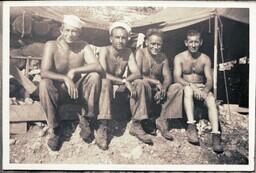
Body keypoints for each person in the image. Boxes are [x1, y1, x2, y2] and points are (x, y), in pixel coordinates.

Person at [39, 15, 103, 151]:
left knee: (94, 76)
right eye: (67, 30)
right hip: (59, 90)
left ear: (79, 33)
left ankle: (86, 120)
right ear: (61, 30)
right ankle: (55, 128)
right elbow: (44, 72)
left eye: (74, 31)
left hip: (77, 91)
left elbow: (97, 66)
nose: (70, 34)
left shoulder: (83, 46)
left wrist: (74, 71)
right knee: (44, 83)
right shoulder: (51, 45)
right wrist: (65, 78)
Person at [98, 22, 154, 150]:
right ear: (110, 39)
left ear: (127, 39)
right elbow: (103, 73)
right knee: (105, 82)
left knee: (140, 82)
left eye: (123, 38)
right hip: (105, 84)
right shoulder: (104, 50)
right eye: (117, 37)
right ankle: (103, 126)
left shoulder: (128, 52)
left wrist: (127, 80)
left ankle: (137, 123)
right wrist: (124, 81)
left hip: (119, 83)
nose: (120, 41)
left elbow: (137, 72)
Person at [173, 29, 223, 153]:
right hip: (187, 87)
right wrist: (191, 85)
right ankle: (191, 126)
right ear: (186, 42)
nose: (193, 45)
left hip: (201, 87)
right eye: (191, 42)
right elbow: (177, 77)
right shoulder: (179, 57)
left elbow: (210, 79)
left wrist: (205, 90)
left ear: (200, 42)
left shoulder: (205, 58)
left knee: (211, 99)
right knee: (189, 90)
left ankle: (216, 135)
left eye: (196, 42)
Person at [135, 28, 185, 141]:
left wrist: (163, 88)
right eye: (153, 44)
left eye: (159, 44)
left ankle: (163, 119)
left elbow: (168, 77)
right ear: (146, 42)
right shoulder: (140, 53)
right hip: (142, 89)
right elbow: (137, 74)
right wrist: (157, 82)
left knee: (177, 87)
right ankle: (140, 121)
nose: (156, 47)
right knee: (141, 83)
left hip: (156, 91)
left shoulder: (163, 57)